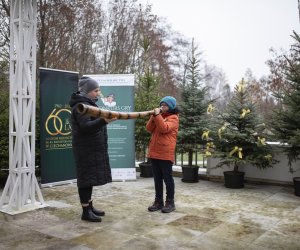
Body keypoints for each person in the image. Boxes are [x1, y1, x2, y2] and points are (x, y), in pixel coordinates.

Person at [69, 76, 116, 222]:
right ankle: (85, 212)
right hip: (85, 149)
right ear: (87, 91)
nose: (98, 93)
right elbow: (86, 127)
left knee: (89, 179)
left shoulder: (89, 104)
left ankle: (89, 207)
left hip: (91, 149)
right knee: (85, 180)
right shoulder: (81, 107)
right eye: (96, 90)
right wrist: (104, 121)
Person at [146, 96, 179, 213]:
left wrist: (157, 115)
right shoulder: (159, 116)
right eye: (161, 105)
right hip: (154, 153)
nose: (162, 107)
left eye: (165, 105)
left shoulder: (174, 118)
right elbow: (149, 128)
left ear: (170, 106)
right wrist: (153, 116)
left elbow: (164, 128)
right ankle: (158, 202)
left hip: (165, 153)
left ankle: (170, 202)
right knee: (157, 179)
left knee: (167, 179)